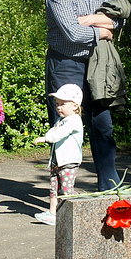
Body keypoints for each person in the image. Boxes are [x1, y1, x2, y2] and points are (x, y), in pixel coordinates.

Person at [45, 0, 119, 190]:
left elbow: (116, 20)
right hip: (66, 64)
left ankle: (109, 187)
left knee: (103, 124)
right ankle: (62, 196)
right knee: (66, 127)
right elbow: (71, 34)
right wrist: (101, 31)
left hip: (98, 62)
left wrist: (87, 20)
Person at [32, 84, 84, 225]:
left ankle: (78, 211)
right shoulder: (61, 121)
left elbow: (59, 134)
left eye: (63, 104)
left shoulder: (74, 121)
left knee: (67, 190)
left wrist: (45, 139)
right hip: (57, 161)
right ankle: (52, 213)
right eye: (57, 104)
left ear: (74, 106)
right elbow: (53, 131)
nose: (58, 107)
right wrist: (47, 135)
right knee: (53, 189)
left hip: (69, 161)